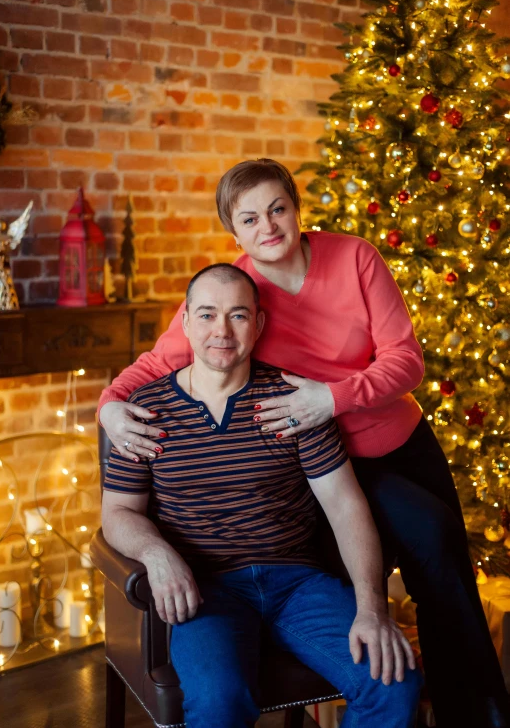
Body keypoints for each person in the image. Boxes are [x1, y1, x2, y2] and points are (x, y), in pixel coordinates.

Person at [99, 159, 509, 728]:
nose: (267, 226)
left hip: (392, 443)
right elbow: (160, 362)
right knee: (348, 579)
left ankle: (476, 711)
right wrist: (110, 407)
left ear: (296, 209)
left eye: (278, 209)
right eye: (249, 218)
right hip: (322, 460)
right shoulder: (235, 293)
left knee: (440, 554)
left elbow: (406, 360)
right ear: (234, 231)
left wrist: (333, 399)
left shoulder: (355, 257)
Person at [101, 264, 421, 728]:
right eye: (207, 315)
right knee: (218, 703)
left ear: (259, 324)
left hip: (298, 584)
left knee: (393, 682)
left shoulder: (294, 401)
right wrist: (157, 555)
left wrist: (373, 608)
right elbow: (117, 512)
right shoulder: (145, 412)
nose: (222, 332)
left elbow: (345, 504)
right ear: (186, 322)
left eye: (238, 316)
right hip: (206, 589)